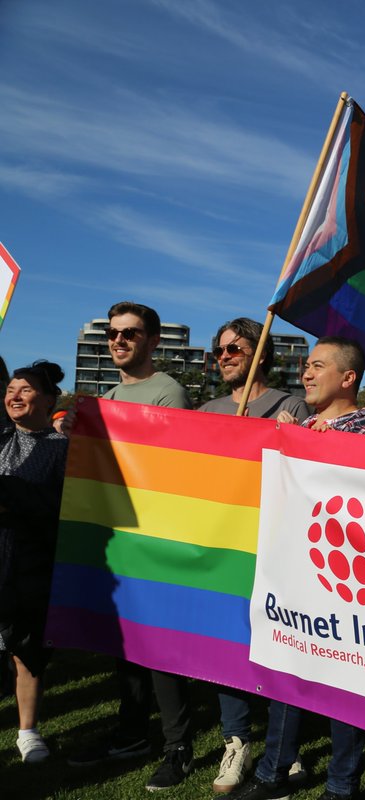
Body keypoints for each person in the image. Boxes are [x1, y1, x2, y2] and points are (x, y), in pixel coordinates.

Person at [232, 337, 365, 800]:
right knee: (287, 673)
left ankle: (341, 784)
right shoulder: (305, 425)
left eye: (318, 365)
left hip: (342, 583)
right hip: (297, 573)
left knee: (343, 682)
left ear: (348, 378)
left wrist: (310, 447)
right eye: (305, 365)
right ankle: (273, 773)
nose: (306, 373)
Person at [69, 302, 197, 792]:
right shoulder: (108, 394)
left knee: (160, 649)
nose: (119, 341)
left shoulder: (170, 392)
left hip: (155, 537)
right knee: (125, 645)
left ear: (152, 341)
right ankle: (130, 733)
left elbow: (170, 466)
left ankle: (177, 745)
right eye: (114, 334)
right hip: (118, 537)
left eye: (131, 334)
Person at [198, 318, 309, 794]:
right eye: (219, 351)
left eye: (235, 348)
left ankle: (287, 748)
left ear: (259, 353)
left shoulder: (291, 405)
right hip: (224, 544)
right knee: (229, 644)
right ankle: (237, 739)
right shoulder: (206, 410)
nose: (225, 356)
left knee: (278, 643)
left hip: (277, 546)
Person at [0, 361, 69, 763]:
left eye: (25, 390)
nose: (15, 396)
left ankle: (27, 731)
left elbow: (57, 506)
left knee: (26, 649)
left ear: (48, 400)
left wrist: (11, 498)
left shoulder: (61, 448)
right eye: (10, 389)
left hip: (31, 561)